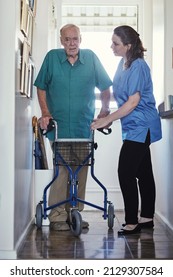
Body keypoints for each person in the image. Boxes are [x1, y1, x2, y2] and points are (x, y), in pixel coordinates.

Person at [34, 24, 112, 231]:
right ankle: (58, 216)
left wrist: (104, 111)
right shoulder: (52, 58)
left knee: (82, 171)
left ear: (81, 39)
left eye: (75, 39)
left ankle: (74, 212)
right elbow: (41, 86)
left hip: (83, 127)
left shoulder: (91, 58)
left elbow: (105, 87)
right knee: (62, 171)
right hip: (59, 127)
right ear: (61, 41)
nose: (72, 43)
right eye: (67, 39)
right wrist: (45, 113)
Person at [91, 25, 162, 235]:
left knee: (125, 172)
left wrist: (108, 119)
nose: (111, 46)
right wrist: (102, 107)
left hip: (142, 124)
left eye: (116, 43)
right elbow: (119, 96)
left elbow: (132, 102)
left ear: (128, 46)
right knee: (143, 173)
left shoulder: (139, 66)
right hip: (132, 126)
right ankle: (147, 218)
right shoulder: (123, 64)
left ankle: (132, 222)